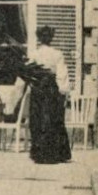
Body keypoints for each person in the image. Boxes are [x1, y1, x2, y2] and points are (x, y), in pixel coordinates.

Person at [23, 25, 73, 164]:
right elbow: (62, 75)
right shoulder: (57, 54)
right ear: (51, 38)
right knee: (53, 119)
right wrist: (64, 91)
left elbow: (28, 73)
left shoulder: (34, 54)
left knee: (38, 119)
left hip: (38, 88)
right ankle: (55, 154)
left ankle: (39, 154)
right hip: (51, 90)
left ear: (39, 38)